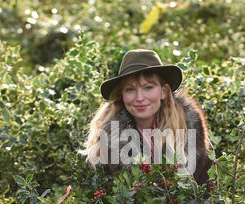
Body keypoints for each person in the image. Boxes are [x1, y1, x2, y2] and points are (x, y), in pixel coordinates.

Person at [81, 49, 213, 185]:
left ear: (163, 91)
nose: (139, 98)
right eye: (130, 89)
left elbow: (208, 189)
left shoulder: (190, 130)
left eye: (148, 87)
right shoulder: (107, 138)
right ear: (122, 94)